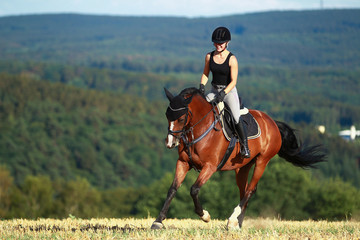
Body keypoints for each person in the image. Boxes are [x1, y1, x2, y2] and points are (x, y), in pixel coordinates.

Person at [199, 26, 250, 158]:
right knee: (201, 110)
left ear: (227, 43)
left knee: (236, 117)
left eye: (221, 43)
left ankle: (245, 147)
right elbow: (205, 73)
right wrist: (202, 86)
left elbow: (233, 81)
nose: (218, 45)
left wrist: (223, 94)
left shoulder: (232, 59)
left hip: (229, 92)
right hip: (214, 90)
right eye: (216, 42)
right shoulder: (209, 56)